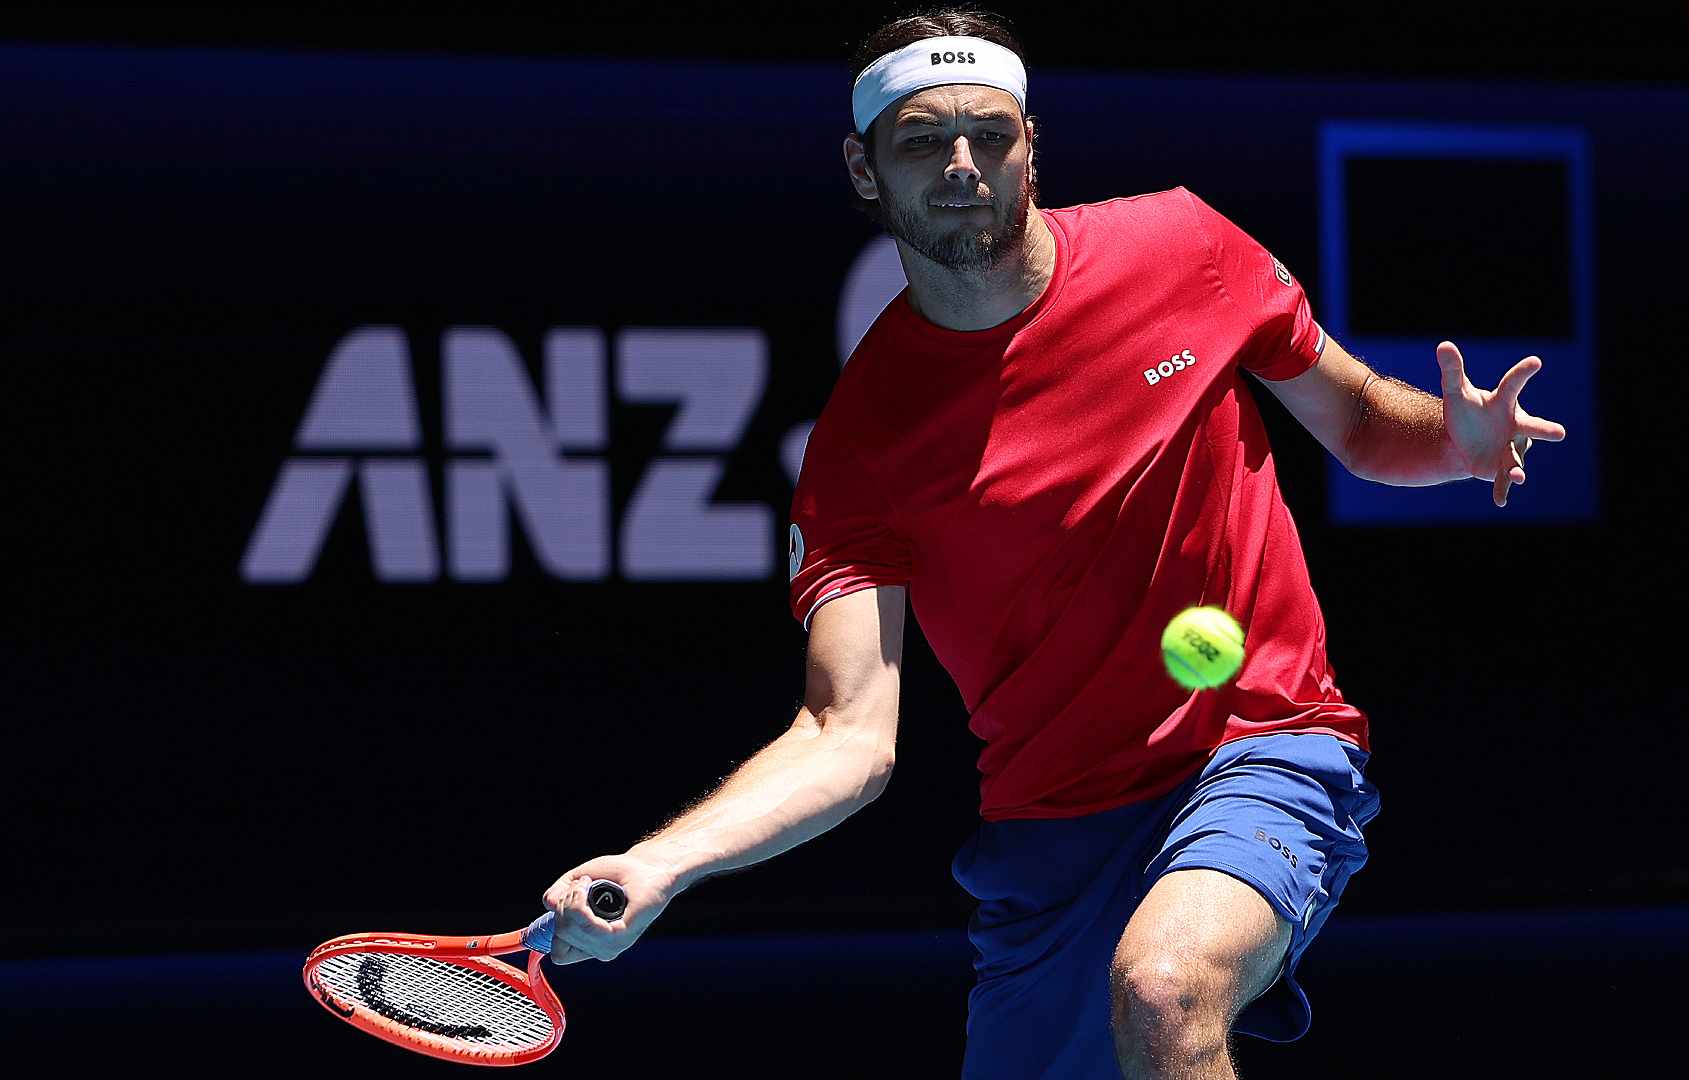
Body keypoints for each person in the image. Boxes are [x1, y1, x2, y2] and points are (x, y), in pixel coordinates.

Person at [541, 8, 1565, 1078]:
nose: (962, 162)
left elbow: (1353, 418)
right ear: (863, 167)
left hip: (1260, 740)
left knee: (1166, 988)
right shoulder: (861, 447)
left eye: (990, 133)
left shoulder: (1185, 248)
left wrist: (1450, 439)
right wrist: (662, 863)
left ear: (1032, 144)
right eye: (921, 140)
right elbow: (846, 734)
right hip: (1053, 833)